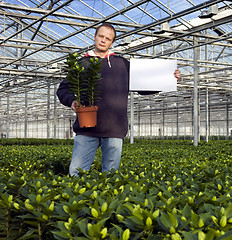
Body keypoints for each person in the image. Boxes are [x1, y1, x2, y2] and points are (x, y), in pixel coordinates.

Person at [57, 23, 181, 176]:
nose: (103, 40)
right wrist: (71, 101)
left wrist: (169, 78)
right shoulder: (82, 63)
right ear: (94, 37)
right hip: (86, 129)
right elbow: (63, 89)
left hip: (114, 129)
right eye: (101, 36)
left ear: (112, 43)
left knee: (110, 176)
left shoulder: (122, 64)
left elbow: (143, 86)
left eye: (108, 38)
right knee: (76, 172)